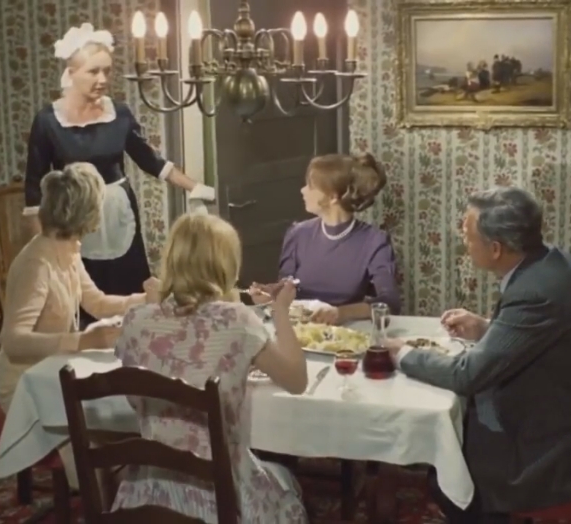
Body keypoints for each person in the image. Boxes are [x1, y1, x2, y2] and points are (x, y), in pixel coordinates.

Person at [384, 187, 571, 524]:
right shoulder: (549, 264)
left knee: (452, 474)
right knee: (462, 433)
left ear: (495, 249)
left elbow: (466, 375)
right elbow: (539, 337)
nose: (464, 242)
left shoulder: (535, 291)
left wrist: (401, 353)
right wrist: (488, 328)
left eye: (468, 236)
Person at [112, 213, 309, 523]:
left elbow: (136, 400)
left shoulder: (136, 320)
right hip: (220, 495)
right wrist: (280, 310)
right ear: (226, 265)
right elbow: (297, 381)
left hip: (147, 491)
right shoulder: (238, 320)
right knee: (288, 489)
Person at [22, 23, 215, 326]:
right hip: (74, 220)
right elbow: (34, 191)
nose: (102, 79)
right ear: (71, 73)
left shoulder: (119, 114)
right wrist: (44, 250)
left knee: (130, 293)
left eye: (107, 71)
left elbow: (149, 159)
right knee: (84, 297)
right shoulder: (48, 121)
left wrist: (194, 186)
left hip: (118, 215)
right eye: (93, 71)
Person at [0, 162, 147, 487]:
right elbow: (13, 341)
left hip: (56, 369)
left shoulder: (68, 249)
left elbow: (97, 302)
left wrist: (146, 299)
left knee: (114, 420)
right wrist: (82, 341)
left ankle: (118, 495)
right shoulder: (38, 264)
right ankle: (97, 500)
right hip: (26, 384)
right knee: (90, 441)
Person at [249, 153, 400, 324]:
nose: (302, 190)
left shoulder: (374, 241)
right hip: (299, 330)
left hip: (347, 333)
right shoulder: (297, 234)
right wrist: (269, 294)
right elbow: (286, 287)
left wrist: (341, 313)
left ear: (333, 196)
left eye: (310, 186)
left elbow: (390, 303)